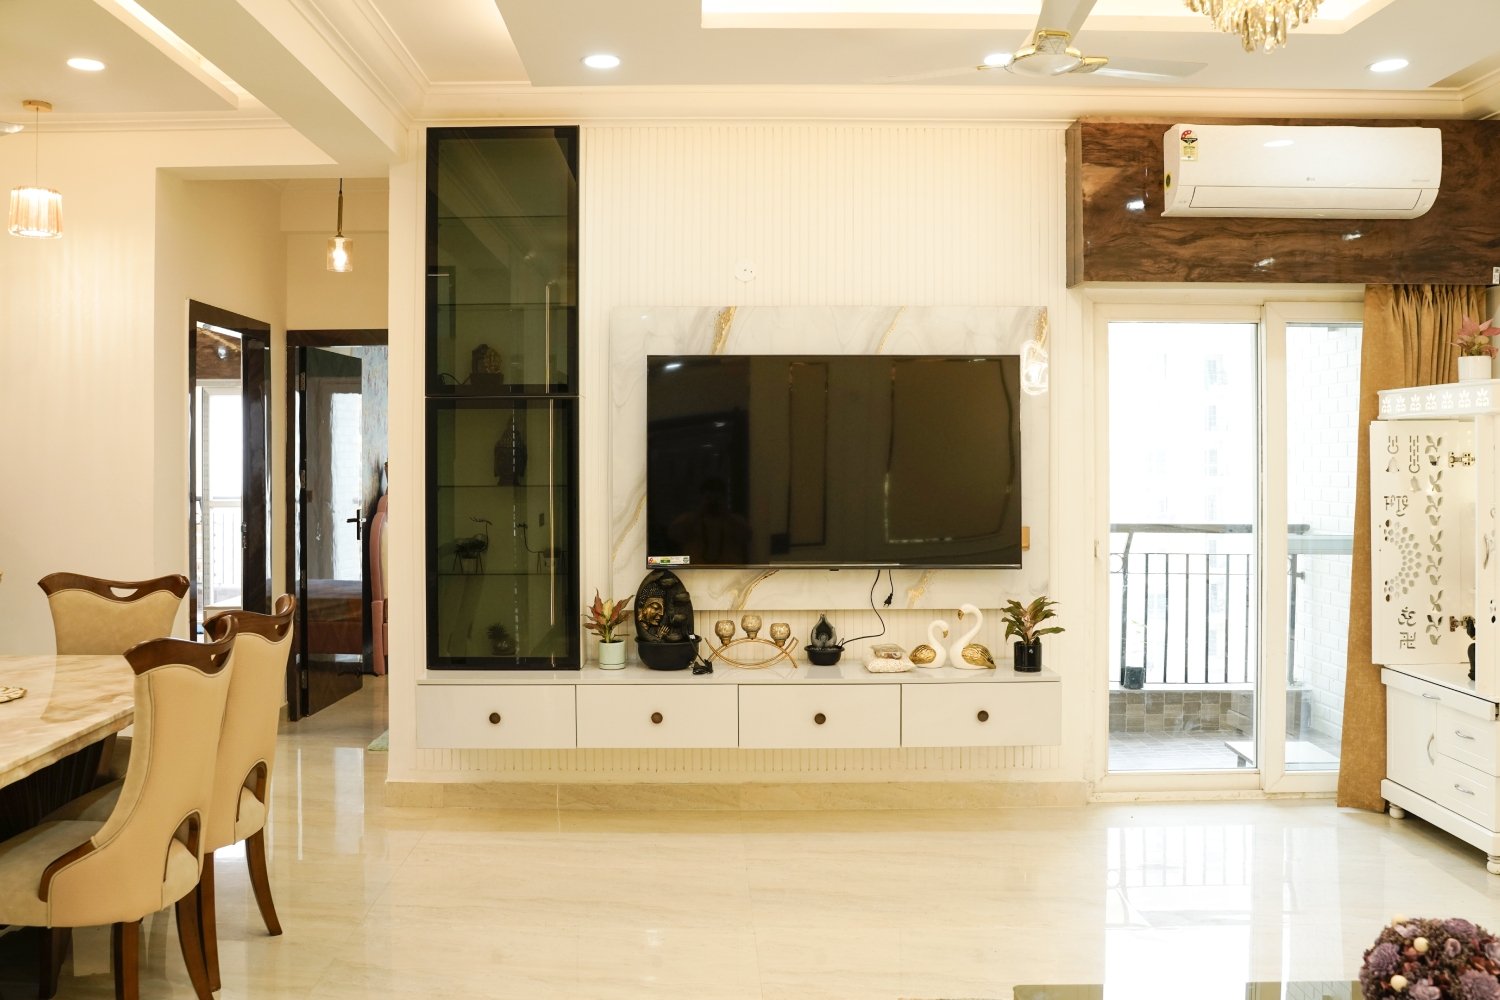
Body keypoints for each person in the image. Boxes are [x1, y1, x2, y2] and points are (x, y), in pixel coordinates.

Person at [668, 476, 751, 565]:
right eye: (709, 498)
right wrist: (699, 514)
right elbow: (674, 536)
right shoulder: (688, 519)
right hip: (695, 572)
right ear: (701, 499)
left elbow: (746, 537)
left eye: (718, 499)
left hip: (729, 572)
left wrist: (726, 515)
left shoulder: (735, 521)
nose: (713, 502)